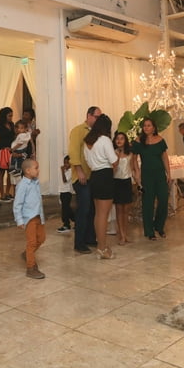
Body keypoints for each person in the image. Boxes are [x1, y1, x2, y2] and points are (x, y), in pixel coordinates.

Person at [131, 117, 171, 241]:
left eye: (149, 125)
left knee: (163, 200)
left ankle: (159, 226)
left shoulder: (160, 140)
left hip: (160, 174)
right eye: (144, 125)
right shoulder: (139, 141)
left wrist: (168, 173)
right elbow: (133, 159)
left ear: (154, 127)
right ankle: (149, 231)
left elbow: (164, 157)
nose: (146, 127)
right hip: (146, 175)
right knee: (148, 202)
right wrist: (137, 173)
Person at [84, 115, 117, 260]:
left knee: (98, 214)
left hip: (94, 176)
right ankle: (102, 248)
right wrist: (117, 157)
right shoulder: (104, 140)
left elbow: (87, 161)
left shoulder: (87, 141)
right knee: (104, 214)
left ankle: (101, 246)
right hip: (105, 176)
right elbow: (114, 161)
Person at [69, 106, 101, 254]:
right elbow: (73, 152)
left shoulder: (97, 133)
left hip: (92, 176)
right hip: (80, 176)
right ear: (88, 115)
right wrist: (79, 170)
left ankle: (90, 237)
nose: (98, 119)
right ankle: (79, 243)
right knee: (83, 209)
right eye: (96, 116)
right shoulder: (77, 130)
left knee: (92, 209)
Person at [13, 159, 46, 279]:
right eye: (36, 168)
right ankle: (30, 268)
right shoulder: (22, 185)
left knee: (41, 238)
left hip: (38, 216)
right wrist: (19, 220)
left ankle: (27, 254)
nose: (38, 170)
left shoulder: (35, 182)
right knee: (31, 242)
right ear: (27, 170)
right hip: (29, 218)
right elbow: (17, 204)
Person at [113, 132, 134, 245]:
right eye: (117, 138)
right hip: (117, 182)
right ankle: (121, 235)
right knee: (119, 209)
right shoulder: (113, 153)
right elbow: (112, 169)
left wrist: (137, 182)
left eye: (122, 138)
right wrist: (116, 158)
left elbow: (133, 168)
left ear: (125, 140)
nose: (119, 141)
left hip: (127, 181)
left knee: (126, 210)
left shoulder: (130, 153)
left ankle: (125, 234)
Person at [0, 107, 15, 202]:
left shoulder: (12, 124)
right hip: (2, 149)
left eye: (11, 116)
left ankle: (7, 192)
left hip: (10, 148)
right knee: (1, 171)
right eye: (9, 116)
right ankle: (2, 194)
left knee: (10, 172)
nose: (11, 117)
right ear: (4, 116)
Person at [57, 155, 74, 233]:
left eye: (67, 163)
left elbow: (65, 180)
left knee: (65, 209)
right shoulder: (65, 170)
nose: (65, 164)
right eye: (64, 163)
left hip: (67, 192)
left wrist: (62, 171)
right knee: (67, 208)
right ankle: (76, 220)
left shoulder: (71, 171)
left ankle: (66, 225)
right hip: (62, 191)